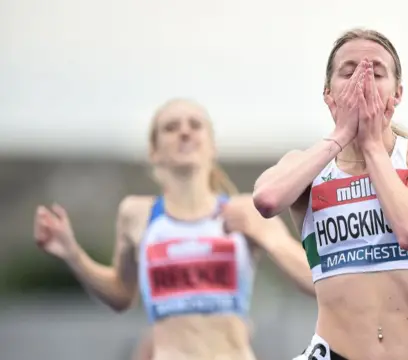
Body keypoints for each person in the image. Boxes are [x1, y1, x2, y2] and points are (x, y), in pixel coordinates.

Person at [33, 98, 314, 360]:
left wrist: (267, 237)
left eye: (195, 125)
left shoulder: (244, 210)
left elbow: (316, 279)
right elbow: (121, 295)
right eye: (171, 127)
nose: (184, 132)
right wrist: (72, 253)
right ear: (154, 152)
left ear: (212, 146)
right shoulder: (137, 215)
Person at [253, 28, 408, 360]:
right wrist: (340, 137)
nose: (362, 82)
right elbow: (266, 200)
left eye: (376, 73)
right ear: (328, 94)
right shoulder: (306, 165)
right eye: (348, 73)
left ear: (397, 93)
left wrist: (372, 146)